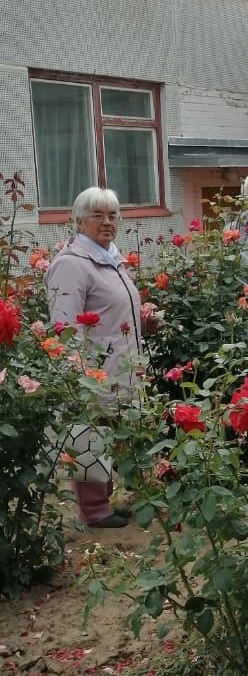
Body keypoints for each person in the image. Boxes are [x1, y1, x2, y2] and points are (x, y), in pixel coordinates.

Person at [44, 187, 147, 528]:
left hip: (121, 366)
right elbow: (63, 325)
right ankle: (95, 511)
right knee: (89, 435)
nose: (107, 222)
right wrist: (77, 372)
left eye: (113, 215)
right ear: (78, 220)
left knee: (110, 435)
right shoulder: (72, 265)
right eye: (97, 215)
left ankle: (106, 502)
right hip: (93, 371)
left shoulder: (108, 258)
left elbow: (111, 310)